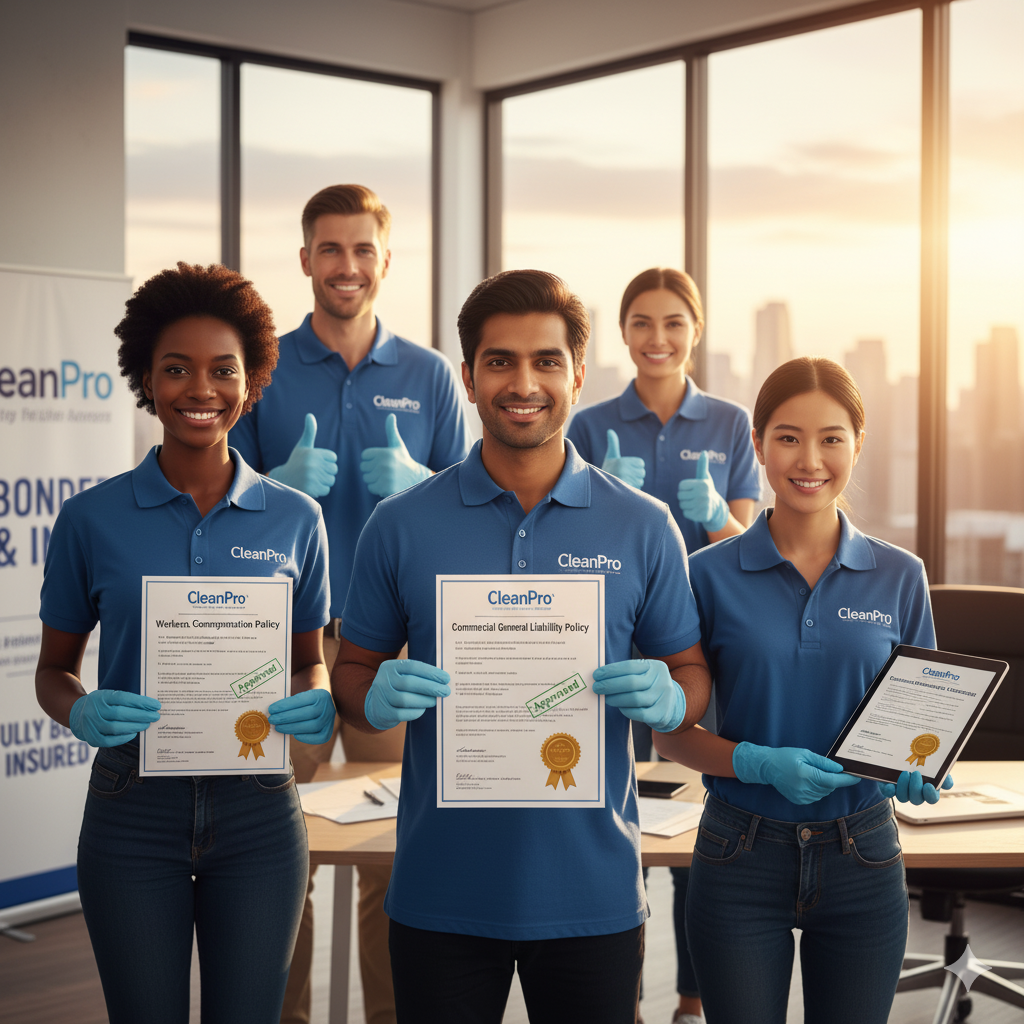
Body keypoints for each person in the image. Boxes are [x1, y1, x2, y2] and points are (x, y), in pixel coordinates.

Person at [332, 268, 713, 1024]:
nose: (523, 382)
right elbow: (353, 672)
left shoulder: (643, 526)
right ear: (468, 378)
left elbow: (691, 674)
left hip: (593, 893)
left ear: (577, 372)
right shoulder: (400, 526)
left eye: (546, 361)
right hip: (440, 891)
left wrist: (673, 700)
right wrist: (370, 698)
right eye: (499, 361)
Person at [34, 263, 335, 1024]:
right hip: (131, 808)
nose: (201, 389)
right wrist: (79, 711)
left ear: (253, 378)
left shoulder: (296, 519)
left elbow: (310, 660)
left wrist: (321, 698)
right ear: (145, 378)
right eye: (176, 369)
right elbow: (53, 671)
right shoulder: (90, 519)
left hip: (260, 810)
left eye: (222, 369)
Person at [228, 184, 472, 1024]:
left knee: (389, 850)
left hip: (388, 643)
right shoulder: (261, 371)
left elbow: (474, 517)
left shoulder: (432, 375)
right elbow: (218, 512)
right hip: (281, 636)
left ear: (385, 261)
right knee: (269, 848)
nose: (347, 265)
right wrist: (269, 487)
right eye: (330, 249)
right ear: (305, 261)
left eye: (363, 249)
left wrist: (426, 486)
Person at [653, 356, 953, 1024]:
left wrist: (919, 769)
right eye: (787, 437)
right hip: (738, 853)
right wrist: (755, 762)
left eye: (831, 438)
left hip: (864, 852)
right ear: (757, 444)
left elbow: (924, 715)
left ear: (858, 443)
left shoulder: (901, 576)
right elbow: (669, 733)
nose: (809, 459)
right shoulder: (706, 576)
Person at [567, 267, 760, 1024]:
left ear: (696, 331)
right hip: (613, 638)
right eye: (642, 322)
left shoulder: (731, 423)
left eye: (674, 323)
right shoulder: (588, 423)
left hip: (698, 643)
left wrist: (714, 510)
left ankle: (691, 999)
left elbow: (744, 549)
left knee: (696, 818)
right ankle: (627, 998)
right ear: (623, 333)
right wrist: (607, 500)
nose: (658, 338)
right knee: (621, 814)